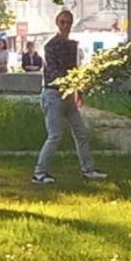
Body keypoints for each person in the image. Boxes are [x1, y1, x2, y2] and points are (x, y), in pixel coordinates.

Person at [32, 10, 107, 185]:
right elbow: (53, 71)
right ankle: (39, 173)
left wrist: (78, 91)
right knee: (55, 135)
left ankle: (88, 169)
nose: (65, 25)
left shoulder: (72, 45)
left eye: (68, 22)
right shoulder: (50, 45)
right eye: (62, 22)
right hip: (53, 94)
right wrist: (69, 84)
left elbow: (74, 70)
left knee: (81, 133)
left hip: (67, 95)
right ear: (57, 23)